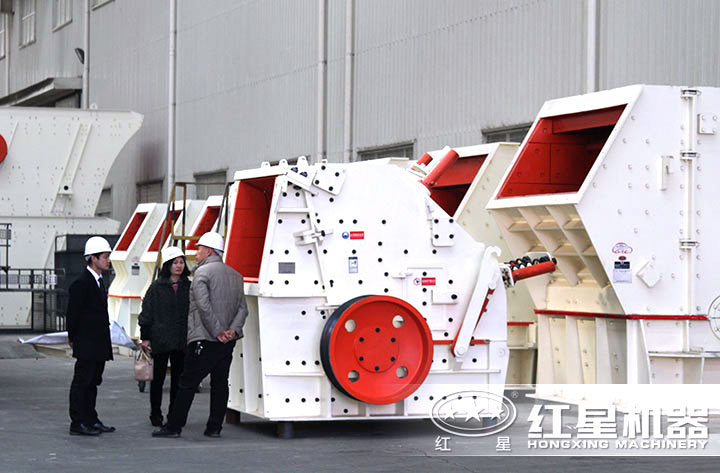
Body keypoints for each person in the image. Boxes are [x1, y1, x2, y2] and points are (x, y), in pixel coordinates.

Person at [153, 231, 248, 438]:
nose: (196, 253)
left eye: (199, 249)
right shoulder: (235, 275)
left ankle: (174, 426)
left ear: (209, 251)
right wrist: (231, 331)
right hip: (228, 341)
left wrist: (218, 332)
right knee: (220, 383)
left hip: (204, 338)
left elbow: (203, 307)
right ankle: (214, 427)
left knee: (187, 382)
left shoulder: (201, 274)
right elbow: (243, 308)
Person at [66, 236, 116, 436]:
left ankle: (90, 418)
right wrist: (73, 336)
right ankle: (78, 422)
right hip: (87, 342)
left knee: (93, 382)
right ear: (93, 258)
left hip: (98, 342)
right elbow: (73, 313)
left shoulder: (99, 281)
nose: (108, 260)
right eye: (105, 256)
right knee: (82, 382)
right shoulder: (82, 283)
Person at [138, 246, 191, 427]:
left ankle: (174, 414)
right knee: (157, 380)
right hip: (160, 340)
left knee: (178, 380)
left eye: (181, 262)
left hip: (181, 341)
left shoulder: (188, 287)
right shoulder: (156, 287)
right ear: (168, 265)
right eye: (175, 263)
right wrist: (145, 337)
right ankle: (155, 414)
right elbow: (146, 313)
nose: (179, 266)